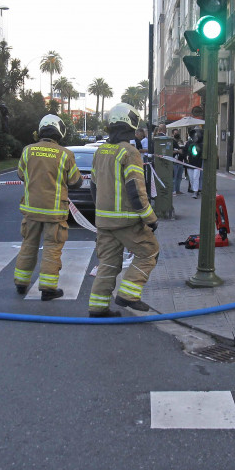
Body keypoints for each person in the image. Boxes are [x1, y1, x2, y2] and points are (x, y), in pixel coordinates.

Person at [87, 103, 160, 318]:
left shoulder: (100, 151)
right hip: (126, 221)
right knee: (149, 252)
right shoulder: (129, 152)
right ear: (130, 125)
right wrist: (150, 219)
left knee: (108, 262)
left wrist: (101, 213)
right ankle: (129, 294)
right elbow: (136, 191)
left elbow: (93, 186)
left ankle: (97, 307)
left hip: (104, 221)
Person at [14, 114, 83, 300]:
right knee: (52, 248)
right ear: (59, 132)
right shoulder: (65, 154)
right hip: (55, 212)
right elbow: (75, 182)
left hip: (31, 210)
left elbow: (21, 174)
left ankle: (21, 283)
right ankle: (48, 289)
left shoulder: (27, 151)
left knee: (28, 245)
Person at [185, 128, 203, 198]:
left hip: (197, 164)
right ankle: (194, 189)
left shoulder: (201, 144)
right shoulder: (189, 143)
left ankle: (195, 192)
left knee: (196, 177)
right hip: (189, 163)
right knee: (191, 178)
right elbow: (185, 150)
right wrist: (186, 156)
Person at [171, 129, 185, 195]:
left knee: (179, 177)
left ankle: (177, 190)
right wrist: (177, 151)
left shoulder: (179, 142)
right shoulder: (171, 142)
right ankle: (173, 191)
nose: (177, 135)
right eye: (175, 133)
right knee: (174, 177)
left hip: (180, 161)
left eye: (177, 133)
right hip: (174, 162)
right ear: (172, 134)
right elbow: (169, 152)